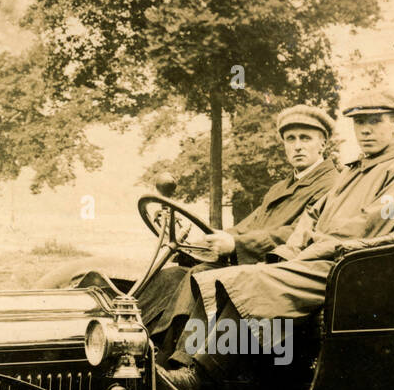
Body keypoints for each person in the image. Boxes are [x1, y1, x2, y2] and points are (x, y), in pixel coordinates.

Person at [162, 89, 394, 390]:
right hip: (317, 262)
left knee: (248, 281)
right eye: (359, 123)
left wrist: (310, 250)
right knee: (217, 277)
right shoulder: (352, 171)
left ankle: (198, 379)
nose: (366, 130)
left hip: (349, 270)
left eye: (375, 121)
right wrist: (288, 254)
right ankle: (180, 365)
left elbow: (370, 221)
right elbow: (312, 216)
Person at [133, 104, 338, 339]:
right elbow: (247, 226)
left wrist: (236, 245)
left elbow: (297, 234)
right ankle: (126, 338)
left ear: (323, 144)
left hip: (281, 272)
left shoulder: (331, 184)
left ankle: (169, 353)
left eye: (305, 138)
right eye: (290, 139)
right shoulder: (280, 187)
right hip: (255, 265)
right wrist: (202, 242)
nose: (297, 146)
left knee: (198, 276)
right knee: (171, 276)